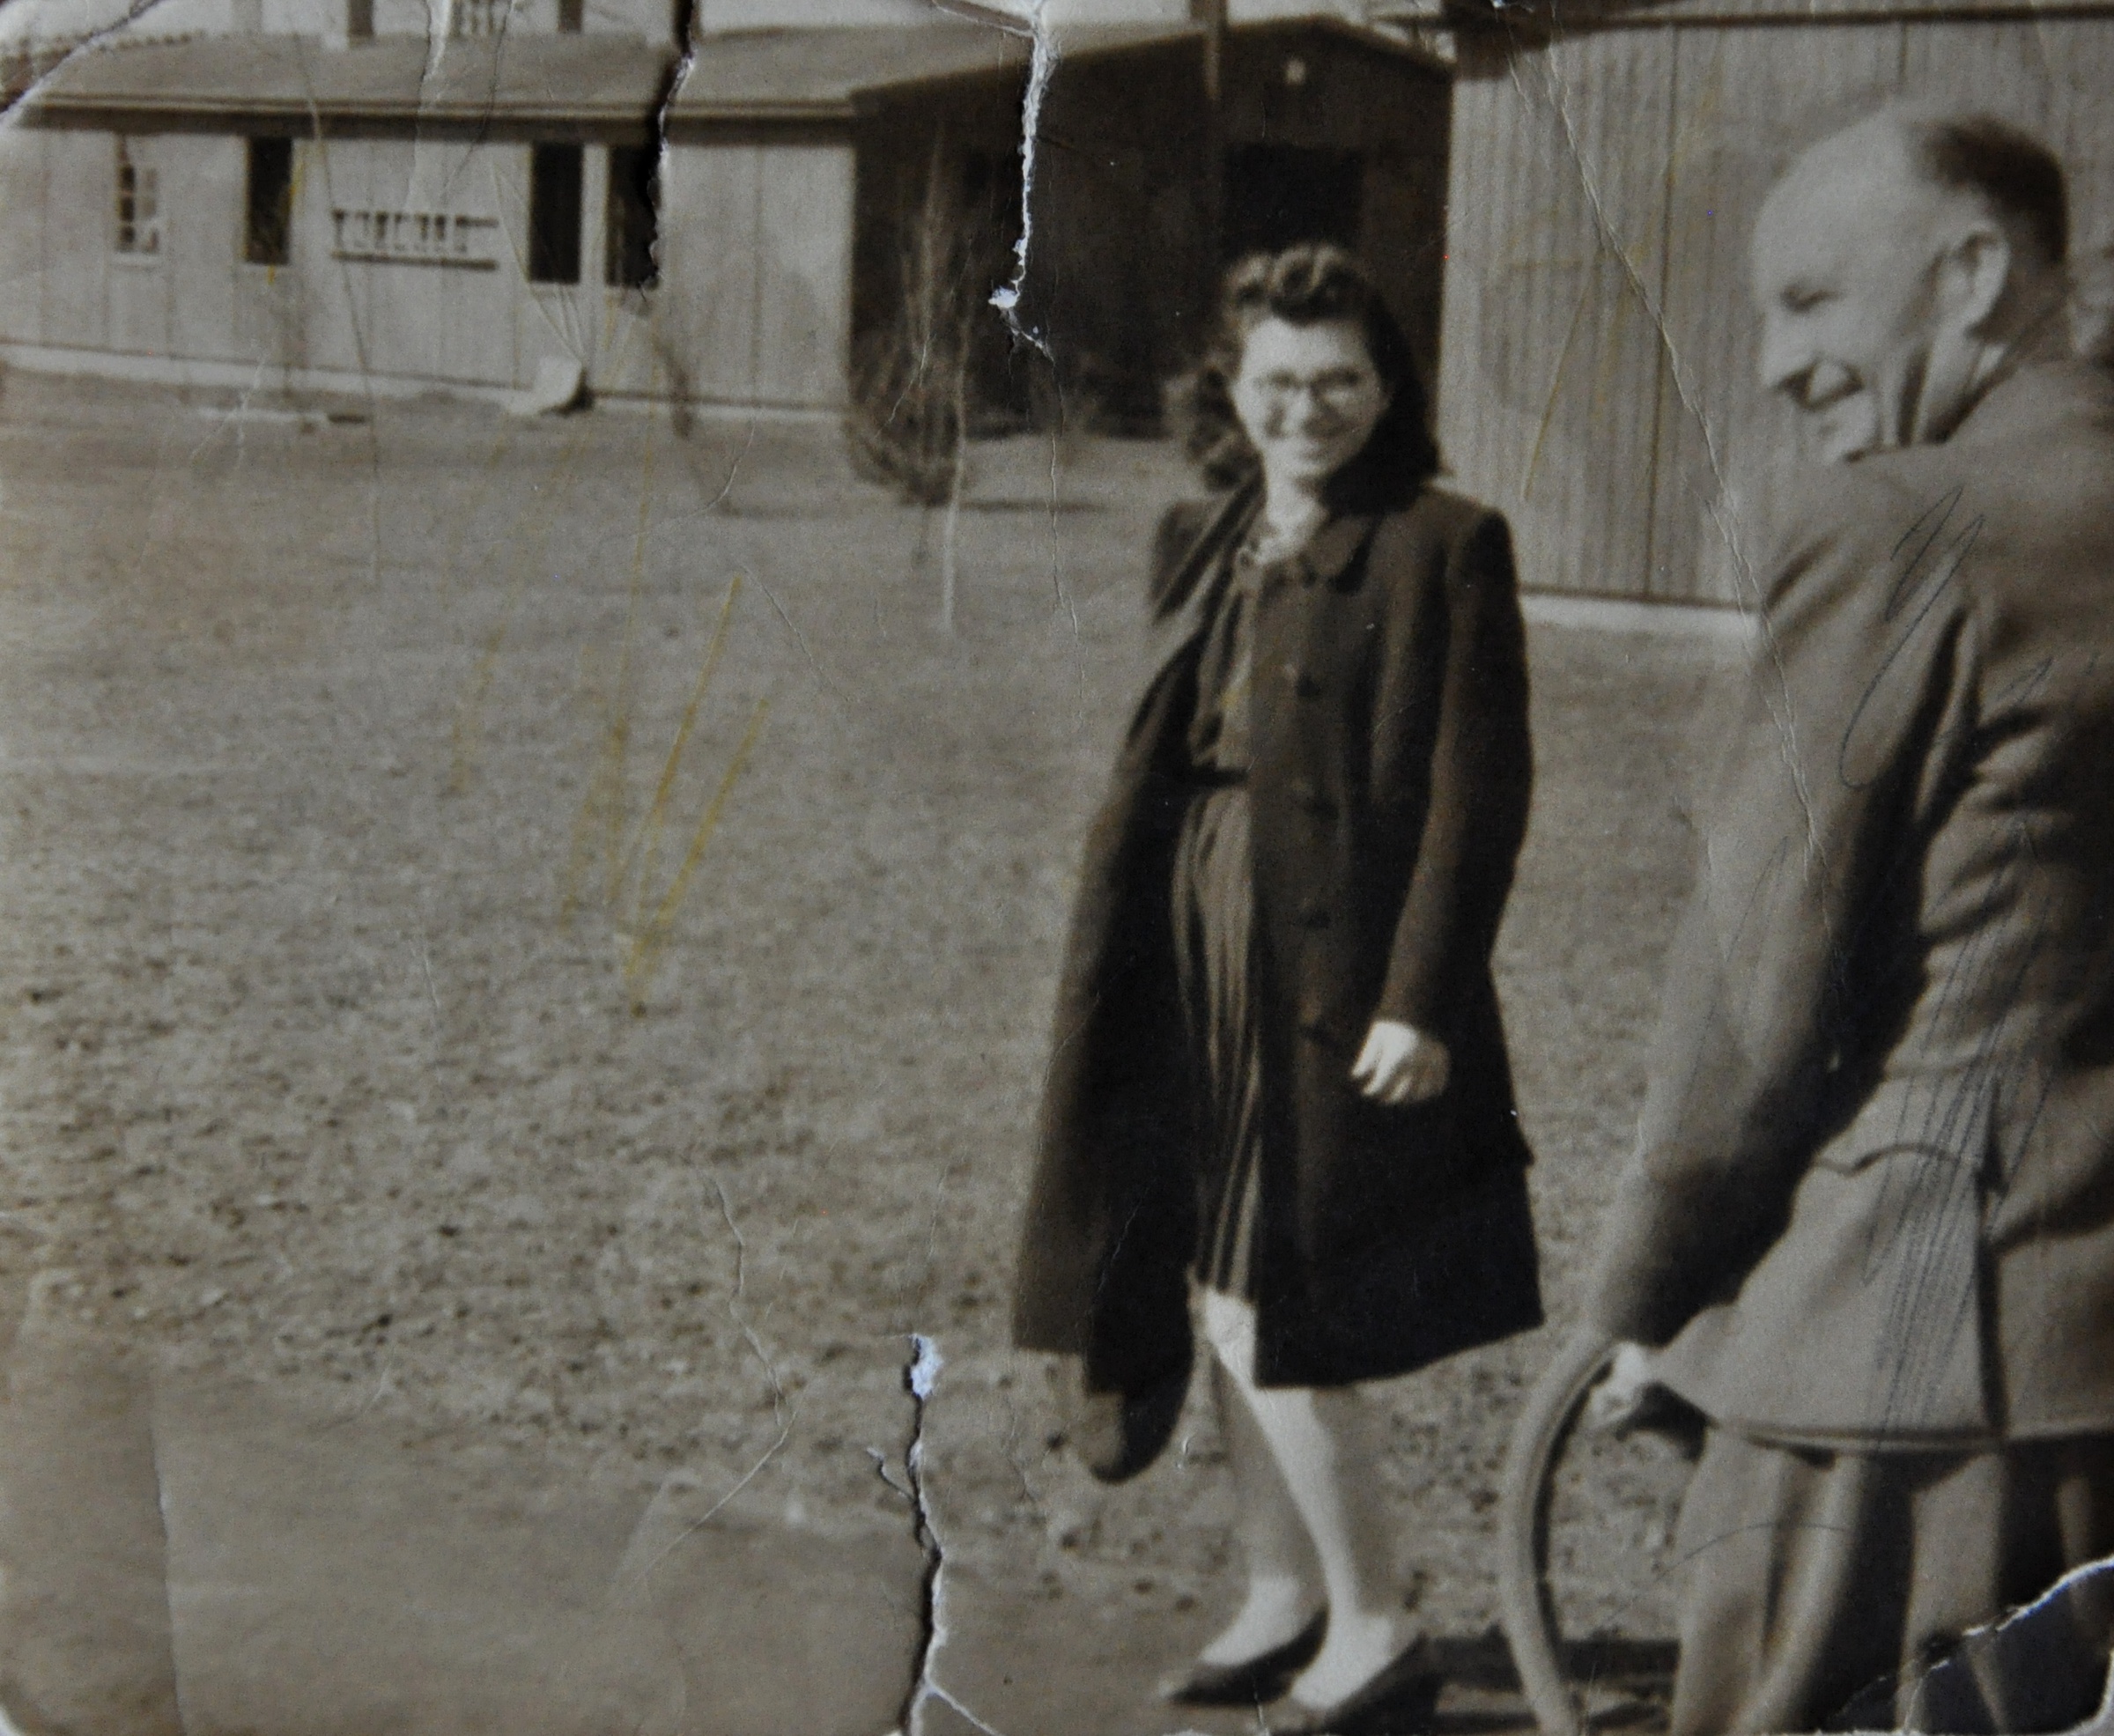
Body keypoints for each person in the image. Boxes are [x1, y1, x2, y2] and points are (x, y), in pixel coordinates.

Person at [1585, 107, 2114, 1734]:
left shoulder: (1903, 524)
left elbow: (1754, 999)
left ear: (1973, 276)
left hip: (1903, 1368)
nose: (1773, 365)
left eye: (1811, 301)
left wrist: (1646, 1300)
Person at [1012, 243, 1542, 1733]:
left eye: (1340, 380)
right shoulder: (1203, 532)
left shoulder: (1445, 544)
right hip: (1187, 940)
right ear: (1230, 389)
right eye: (1279, 382)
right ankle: (1281, 1593)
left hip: (1330, 970)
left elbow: (1476, 798)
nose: (1308, 409)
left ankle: (1377, 1627)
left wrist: (1419, 1000)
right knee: (1216, 1286)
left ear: (1388, 386)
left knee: (1275, 1302)